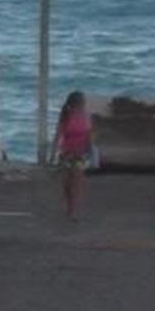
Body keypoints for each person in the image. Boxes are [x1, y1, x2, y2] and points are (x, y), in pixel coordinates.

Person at [52, 90, 95, 221]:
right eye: (81, 103)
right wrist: (52, 154)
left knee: (76, 183)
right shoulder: (65, 116)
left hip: (81, 154)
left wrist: (90, 151)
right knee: (66, 184)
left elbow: (89, 135)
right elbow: (58, 136)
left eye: (83, 103)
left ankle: (72, 211)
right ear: (74, 104)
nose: (83, 106)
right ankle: (69, 206)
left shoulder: (86, 116)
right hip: (66, 153)